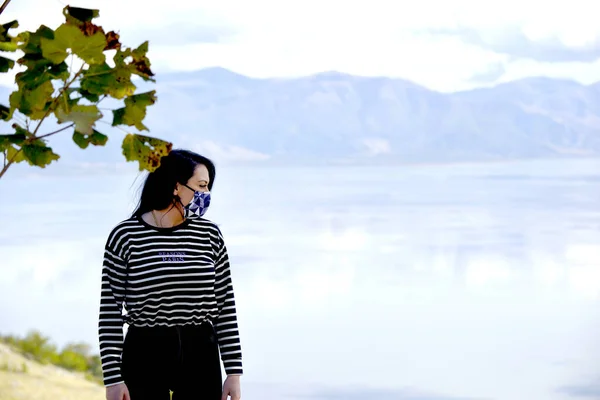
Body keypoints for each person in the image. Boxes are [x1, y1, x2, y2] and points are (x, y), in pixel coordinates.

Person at [98, 149, 243, 400]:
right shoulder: (125, 236)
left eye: (208, 187)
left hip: (201, 351)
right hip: (144, 350)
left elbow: (225, 305)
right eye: (201, 185)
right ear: (176, 186)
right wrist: (113, 379)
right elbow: (110, 311)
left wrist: (233, 372)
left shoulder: (209, 235)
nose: (206, 194)